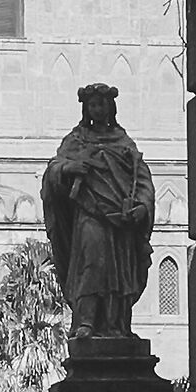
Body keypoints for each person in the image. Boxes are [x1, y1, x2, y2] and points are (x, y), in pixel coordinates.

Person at [40, 83, 155, 336]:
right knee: (92, 263)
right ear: (86, 108)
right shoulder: (76, 141)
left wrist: (143, 208)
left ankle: (118, 326)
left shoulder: (123, 142)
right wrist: (69, 169)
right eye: (92, 104)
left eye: (101, 104)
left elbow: (141, 178)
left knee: (120, 271)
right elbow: (54, 169)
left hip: (120, 219)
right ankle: (86, 321)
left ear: (110, 106)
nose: (97, 109)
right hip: (90, 213)